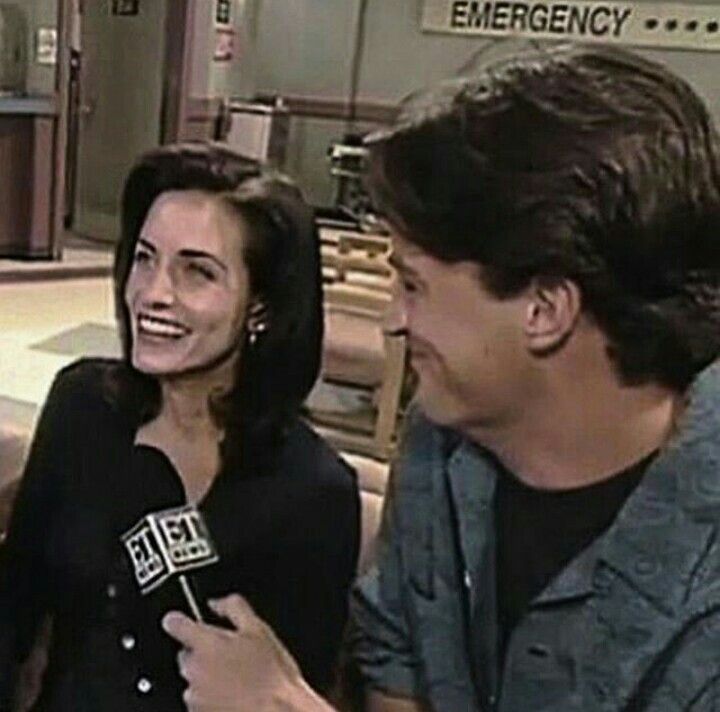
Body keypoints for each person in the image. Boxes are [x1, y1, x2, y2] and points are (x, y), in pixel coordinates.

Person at [162, 44, 720, 711]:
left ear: (544, 309)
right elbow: (396, 660)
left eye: (414, 283)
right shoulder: (438, 440)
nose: (393, 321)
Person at [0, 143, 360, 711]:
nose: (153, 294)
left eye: (197, 272)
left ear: (261, 307)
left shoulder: (314, 494)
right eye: (144, 259)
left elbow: (293, 693)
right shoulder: (82, 406)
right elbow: (12, 609)